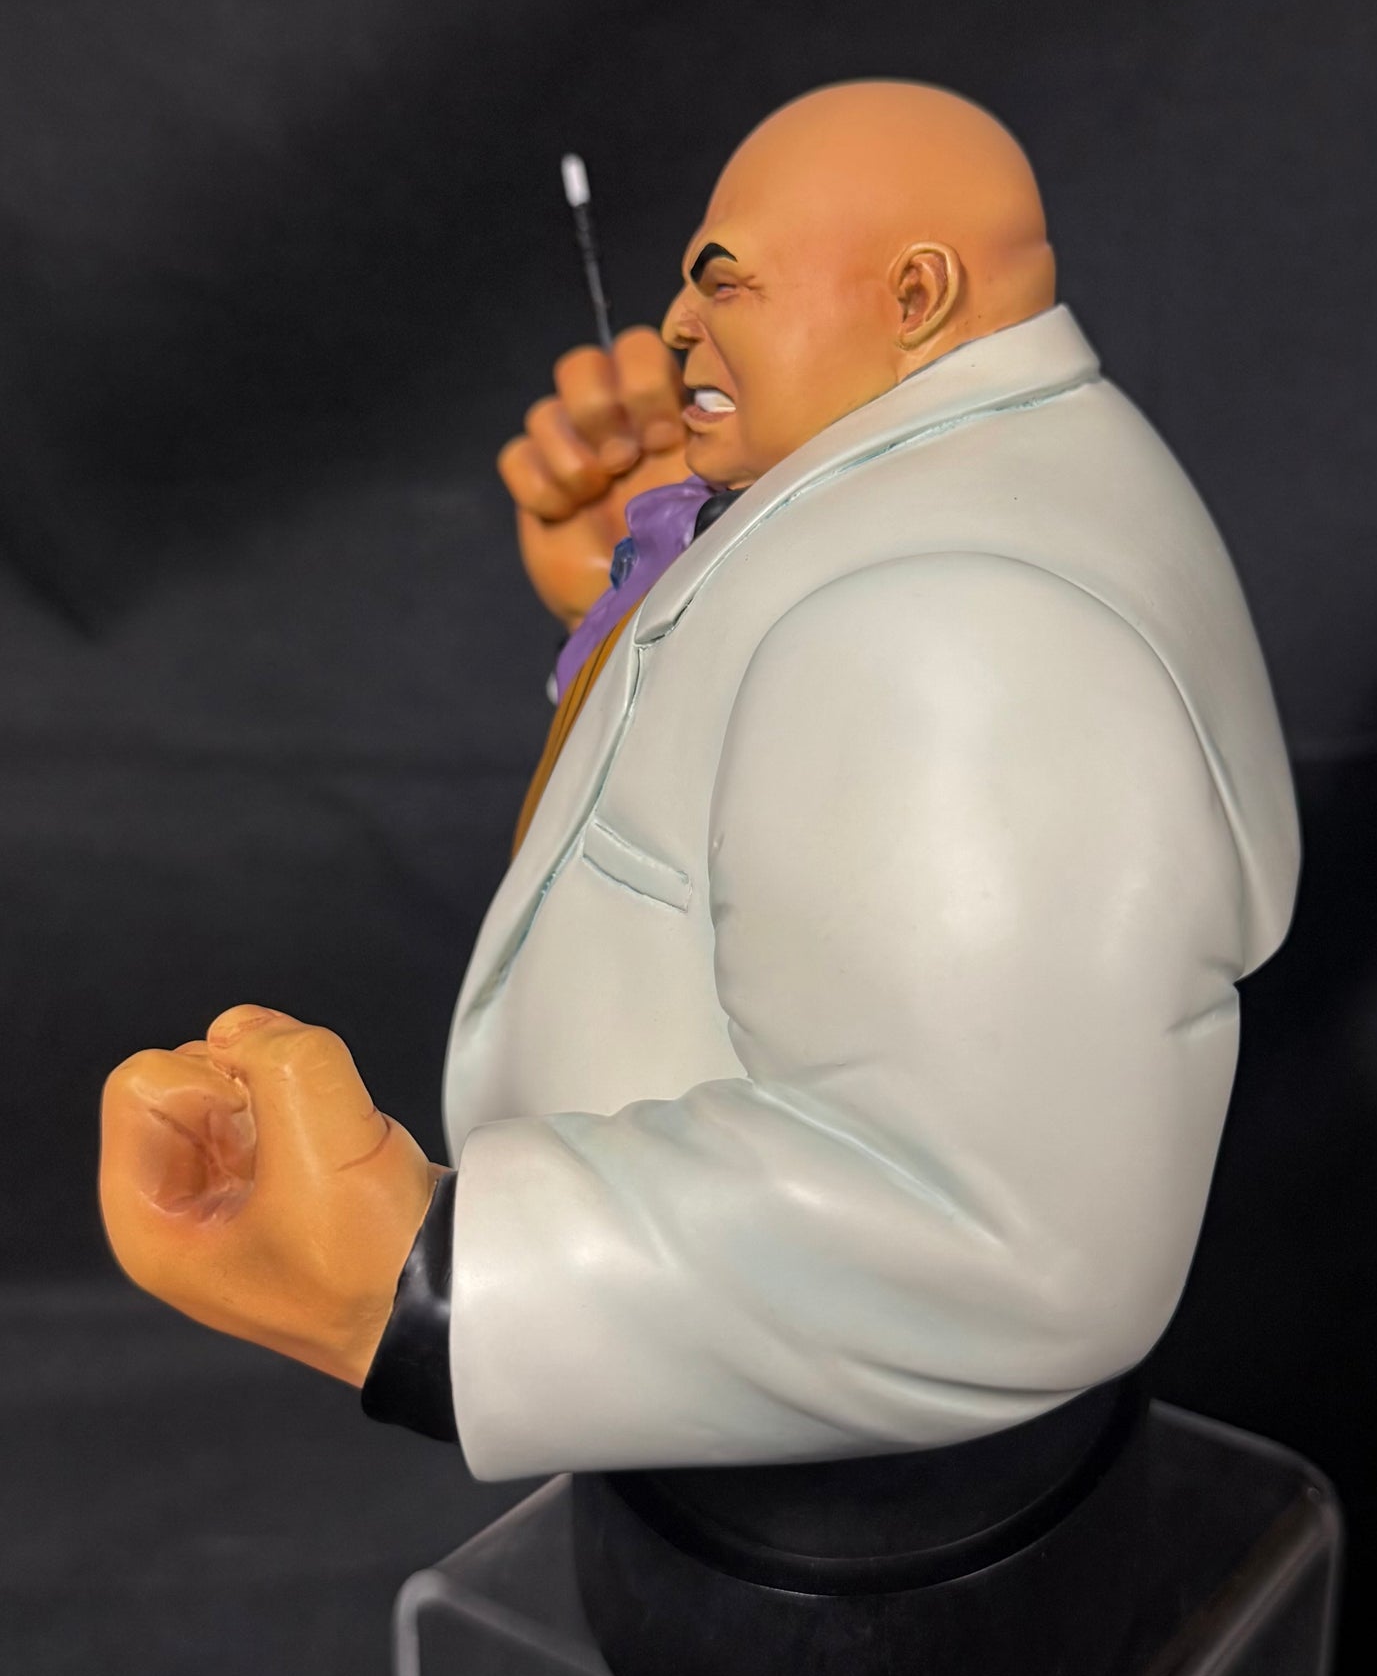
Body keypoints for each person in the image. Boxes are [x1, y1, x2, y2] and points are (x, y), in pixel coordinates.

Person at [99, 81, 1299, 1483]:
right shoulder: (961, 489)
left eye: (724, 282)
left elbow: (1006, 1236)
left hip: (863, 1513)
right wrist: (647, 602)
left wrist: (414, 1286)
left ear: (915, 297)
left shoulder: (951, 622)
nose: (674, 326)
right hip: (762, 1442)